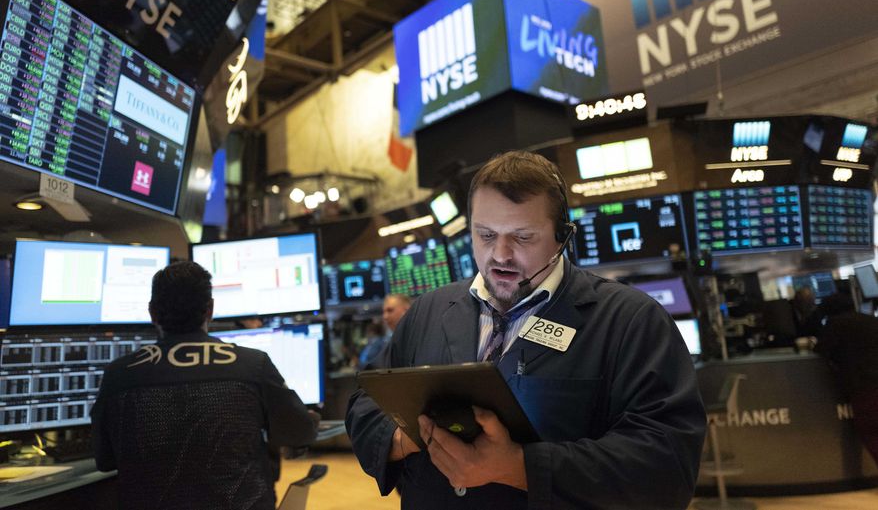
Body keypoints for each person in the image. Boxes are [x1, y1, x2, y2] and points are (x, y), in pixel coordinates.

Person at [346, 151, 706, 509]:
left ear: (563, 235)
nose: (500, 255)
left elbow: (666, 464)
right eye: (485, 235)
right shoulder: (428, 311)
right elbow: (365, 402)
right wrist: (410, 435)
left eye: (523, 237)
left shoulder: (630, 321)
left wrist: (520, 467)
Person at [91, 261, 318, 510]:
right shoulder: (252, 365)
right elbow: (300, 432)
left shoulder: (119, 375)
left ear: (152, 312)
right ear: (209, 309)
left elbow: (105, 460)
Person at [815, 302, 878, 465]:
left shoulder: (835, 324)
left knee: (870, 431)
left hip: (865, 385)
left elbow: (821, 349)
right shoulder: (870, 320)